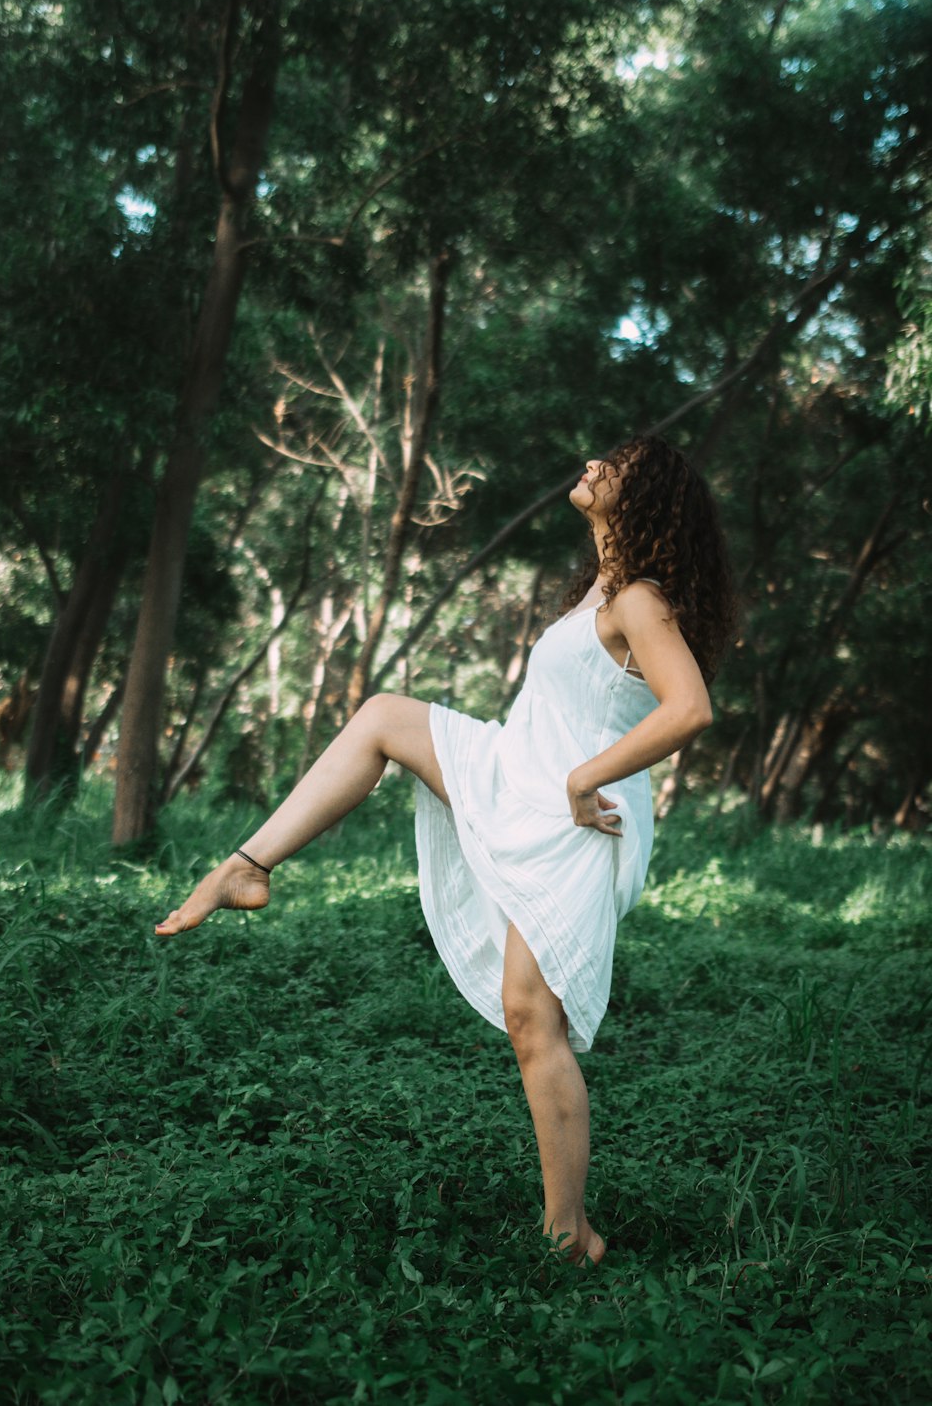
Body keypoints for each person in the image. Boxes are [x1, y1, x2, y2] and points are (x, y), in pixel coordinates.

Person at [155, 434, 736, 1269]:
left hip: (577, 817)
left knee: (534, 1022)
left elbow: (689, 710)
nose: (594, 463)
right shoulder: (598, 592)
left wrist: (584, 778)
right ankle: (249, 863)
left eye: (616, 462)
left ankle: (569, 1234)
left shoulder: (640, 599)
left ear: (643, 496)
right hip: (520, 773)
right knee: (387, 716)